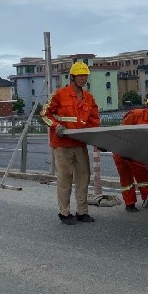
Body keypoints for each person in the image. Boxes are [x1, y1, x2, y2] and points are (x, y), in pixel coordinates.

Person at [41, 62, 100, 225]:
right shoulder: (60, 94)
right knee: (65, 179)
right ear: (72, 77)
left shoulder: (89, 97)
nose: (83, 79)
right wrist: (56, 126)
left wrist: (99, 140)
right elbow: (45, 113)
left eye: (85, 76)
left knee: (83, 178)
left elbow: (94, 121)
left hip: (80, 144)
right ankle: (64, 213)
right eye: (80, 76)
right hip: (62, 144)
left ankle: (82, 212)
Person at [115, 93, 148, 212]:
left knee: (144, 175)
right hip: (123, 153)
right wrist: (124, 152)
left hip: (138, 154)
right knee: (127, 180)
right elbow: (121, 133)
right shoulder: (135, 115)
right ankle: (130, 204)